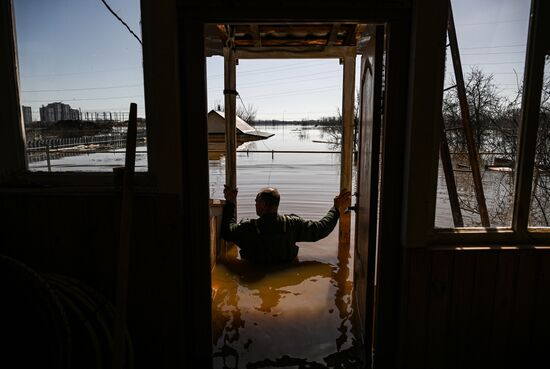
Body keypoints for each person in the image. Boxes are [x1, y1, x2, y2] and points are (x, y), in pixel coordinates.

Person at [221, 185, 351, 265]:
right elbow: (321, 229)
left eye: (257, 201)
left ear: (264, 205)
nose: (255, 204)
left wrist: (231, 203)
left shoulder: (248, 228)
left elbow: (227, 231)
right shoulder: (291, 225)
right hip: (286, 268)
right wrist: (335, 209)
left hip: (253, 271)